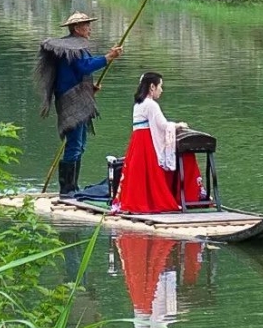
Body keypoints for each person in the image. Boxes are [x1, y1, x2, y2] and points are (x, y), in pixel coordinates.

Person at [35, 11, 123, 196]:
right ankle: (67, 189)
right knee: (74, 144)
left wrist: (90, 88)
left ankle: (73, 187)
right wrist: (108, 57)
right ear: (76, 28)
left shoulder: (78, 47)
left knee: (80, 144)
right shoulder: (73, 48)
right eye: (86, 25)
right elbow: (85, 66)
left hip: (79, 97)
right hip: (70, 100)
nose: (89, 29)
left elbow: (77, 74)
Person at [112, 71, 205, 215]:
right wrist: (177, 125)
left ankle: (138, 201)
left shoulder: (138, 104)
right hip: (146, 141)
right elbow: (162, 125)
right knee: (151, 173)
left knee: (140, 173)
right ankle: (158, 201)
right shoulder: (151, 104)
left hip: (137, 140)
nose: (162, 90)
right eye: (160, 86)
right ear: (152, 87)